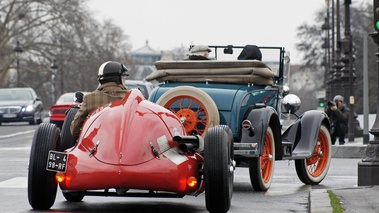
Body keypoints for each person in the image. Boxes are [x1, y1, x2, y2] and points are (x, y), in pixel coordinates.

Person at [70, 61, 129, 140]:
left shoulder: (89, 99)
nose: (125, 80)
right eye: (123, 77)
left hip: (96, 146)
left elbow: (74, 130)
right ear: (118, 78)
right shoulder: (130, 97)